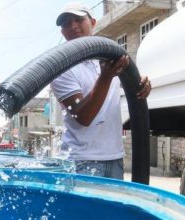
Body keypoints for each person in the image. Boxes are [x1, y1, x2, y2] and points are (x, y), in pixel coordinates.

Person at [50, 1, 151, 180]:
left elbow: (130, 87)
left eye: (79, 19)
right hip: (80, 161)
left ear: (93, 22)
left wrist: (141, 85)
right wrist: (105, 78)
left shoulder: (109, 58)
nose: (73, 26)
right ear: (62, 32)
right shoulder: (61, 68)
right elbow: (83, 116)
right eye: (67, 23)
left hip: (115, 157)